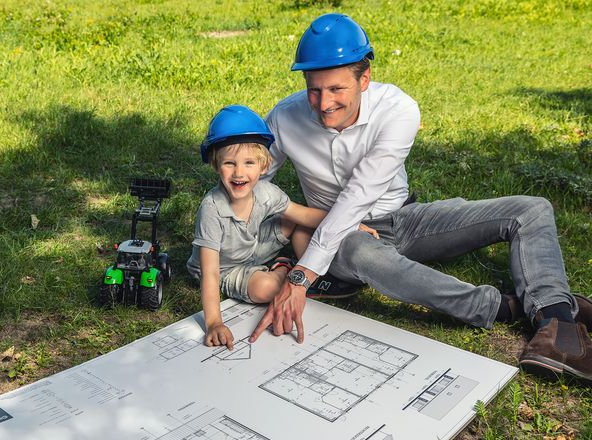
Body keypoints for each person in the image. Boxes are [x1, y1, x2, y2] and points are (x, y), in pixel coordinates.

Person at [248, 13, 592, 384]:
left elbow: (361, 192)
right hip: (341, 237)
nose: (323, 102)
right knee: (359, 250)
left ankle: (556, 318)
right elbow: (253, 184)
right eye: (314, 89)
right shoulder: (284, 118)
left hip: (404, 218)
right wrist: (287, 238)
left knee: (531, 210)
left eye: (336, 90)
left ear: (364, 80)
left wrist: (299, 279)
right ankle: (500, 308)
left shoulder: (399, 110)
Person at [188, 105, 379, 350]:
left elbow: (305, 214)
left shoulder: (266, 192)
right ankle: (285, 270)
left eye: (249, 163)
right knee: (266, 288)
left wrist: (349, 223)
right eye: (229, 163)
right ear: (216, 165)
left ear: (264, 165)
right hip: (226, 267)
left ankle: (306, 271)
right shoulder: (211, 209)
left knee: (296, 221)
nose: (239, 172)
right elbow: (211, 272)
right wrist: (214, 322)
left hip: (254, 246)